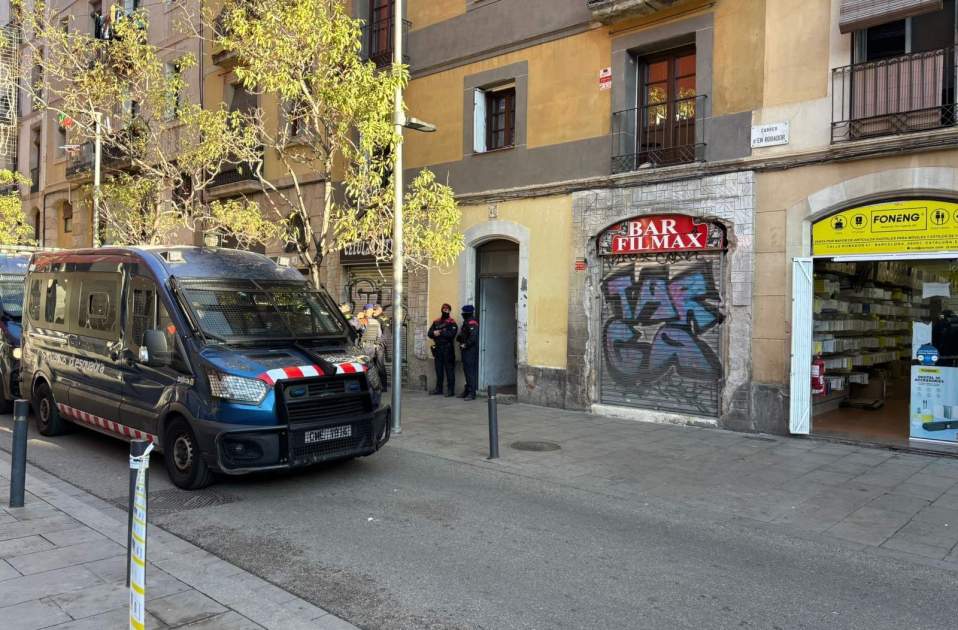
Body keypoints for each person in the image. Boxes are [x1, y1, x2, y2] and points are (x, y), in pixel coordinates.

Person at [427, 303, 458, 396]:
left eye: (447, 309)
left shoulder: (452, 322)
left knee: (449, 370)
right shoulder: (436, 321)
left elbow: (451, 335)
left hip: (448, 349)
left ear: (449, 311)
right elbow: (429, 333)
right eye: (444, 309)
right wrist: (434, 332)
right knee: (438, 370)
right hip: (438, 348)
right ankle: (438, 389)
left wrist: (440, 332)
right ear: (441, 310)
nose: (445, 310)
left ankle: (450, 390)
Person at [457, 304, 479, 400]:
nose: (462, 314)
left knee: (470, 372)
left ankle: (472, 393)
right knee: (466, 371)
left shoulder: (472, 322)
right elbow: (464, 334)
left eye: (464, 313)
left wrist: (465, 344)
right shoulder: (466, 322)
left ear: (468, 313)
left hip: (470, 350)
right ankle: (467, 390)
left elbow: (473, 337)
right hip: (465, 350)